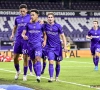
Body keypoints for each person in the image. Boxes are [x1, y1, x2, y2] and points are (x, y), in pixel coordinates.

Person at [22, 9, 47, 82]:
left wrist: (45, 41)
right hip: (30, 45)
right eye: (31, 15)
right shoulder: (27, 25)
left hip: (38, 45)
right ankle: (37, 74)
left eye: (33, 15)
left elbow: (45, 34)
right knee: (33, 61)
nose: (31, 16)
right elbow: (23, 33)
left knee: (38, 58)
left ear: (37, 15)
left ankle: (38, 76)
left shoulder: (41, 25)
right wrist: (23, 36)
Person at [44, 12, 67, 82]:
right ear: (47, 19)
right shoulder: (45, 26)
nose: (50, 18)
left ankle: (56, 77)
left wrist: (65, 46)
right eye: (49, 17)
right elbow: (43, 33)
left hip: (58, 47)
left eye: (51, 17)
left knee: (58, 62)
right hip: (49, 47)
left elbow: (63, 36)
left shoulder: (58, 26)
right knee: (51, 61)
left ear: (54, 18)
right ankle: (51, 77)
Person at [10, 4, 31, 81]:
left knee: (25, 57)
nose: (22, 12)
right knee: (15, 57)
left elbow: (36, 22)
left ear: (26, 10)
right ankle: (18, 71)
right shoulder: (17, 18)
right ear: (19, 11)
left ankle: (25, 75)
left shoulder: (30, 17)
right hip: (18, 39)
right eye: (21, 11)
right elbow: (15, 27)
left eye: (24, 11)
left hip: (26, 40)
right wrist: (12, 34)